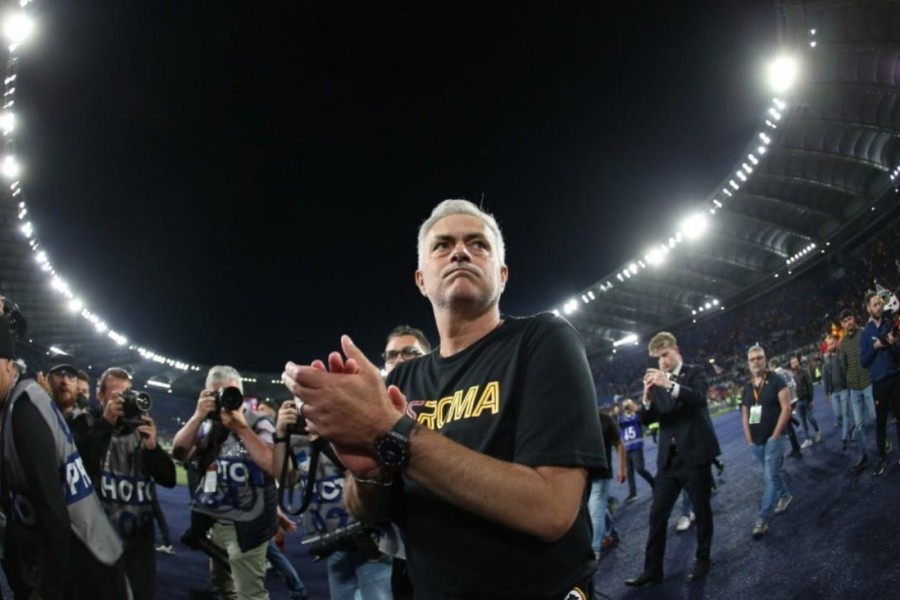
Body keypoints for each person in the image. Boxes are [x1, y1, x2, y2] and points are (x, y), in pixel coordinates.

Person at [282, 198, 607, 599]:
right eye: (442, 245)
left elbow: (551, 510)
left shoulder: (542, 339)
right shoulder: (402, 378)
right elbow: (371, 512)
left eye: (478, 244)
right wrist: (370, 473)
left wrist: (393, 432)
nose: (459, 252)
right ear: (421, 279)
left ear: (502, 275)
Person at [0, 315, 130, 599]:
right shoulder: (16, 404)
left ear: (10, 363)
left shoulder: (24, 410)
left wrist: (49, 591)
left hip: (85, 566)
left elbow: (53, 512)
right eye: (60, 374)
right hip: (68, 559)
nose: (66, 381)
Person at [172, 365, 277, 600]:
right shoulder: (207, 425)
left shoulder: (259, 422)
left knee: (250, 594)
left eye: (231, 393)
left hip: (250, 523)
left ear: (240, 392)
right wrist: (198, 415)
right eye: (217, 394)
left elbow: (273, 466)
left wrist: (240, 427)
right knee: (221, 586)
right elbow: (180, 452)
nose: (225, 400)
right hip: (217, 522)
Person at [625, 331, 721, 588]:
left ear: (676, 350)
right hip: (668, 461)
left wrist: (668, 384)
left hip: (695, 456)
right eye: (658, 358)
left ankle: (703, 559)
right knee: (657, 515)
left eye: (665, 355)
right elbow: (649, 421)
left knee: (701, 511)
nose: (663, 362)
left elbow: (699, 398)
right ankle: (652, 570)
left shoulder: (694, 371)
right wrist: (646, 399)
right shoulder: (657, 383)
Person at [72, 367, 177, 600]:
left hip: (138, 544)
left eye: (128, 393)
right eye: (117, 395)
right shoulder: (86, 423)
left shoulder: (140, 429)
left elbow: (168, 479)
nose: (125, 400)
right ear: (101, 397)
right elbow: (82, 468)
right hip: (98, 542)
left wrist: (153, 448)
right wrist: (106, 423)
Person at [381, 324, 432, 600]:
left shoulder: (451, 399)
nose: (399, 359)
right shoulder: (374, 409)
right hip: (401, 549)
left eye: (410, 352)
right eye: (391, 355)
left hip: (451, 548)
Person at [741, 345, 793, 539]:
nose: (757, 362)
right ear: (748, 363)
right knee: (772, 474)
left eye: (759, 358)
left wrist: (776, 435)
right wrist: (749, 440)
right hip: (757, 442)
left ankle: (763, 518)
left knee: (769, 477)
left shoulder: (776, 380)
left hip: (774, 438)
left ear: (765, 359)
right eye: (753, 359)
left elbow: (786, 409)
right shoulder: (747, 388)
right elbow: (745, 415)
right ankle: (785, 495)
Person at [860, 291, 900, 476]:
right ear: (868, 308)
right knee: (881, 423)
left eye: (879, 304)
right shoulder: (866, 333)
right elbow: (864, 361)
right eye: (875, 304)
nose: (878, 307)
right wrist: (875, 347)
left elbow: (897, 353)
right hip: (878, 383)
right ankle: (882, 458)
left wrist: (893, 343)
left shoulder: (889, 324)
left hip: (894, 378)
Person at [839, 307, 877, 471]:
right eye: (845, 321)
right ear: (842, 324)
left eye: (850, 319)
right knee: (859, 424)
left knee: (875, 417)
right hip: (854, 388)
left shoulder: (864, 333)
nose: (848, 322)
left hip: (868, 382)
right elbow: (844, 365)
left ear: (854, 319)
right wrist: (849, 382)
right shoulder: (842, 343)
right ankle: (863, 455)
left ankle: (883, 441)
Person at [588, 406, 626, 558]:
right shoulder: (576, 422)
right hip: (583, 476)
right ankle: (612, 533)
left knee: (594, 511)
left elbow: (619, 443)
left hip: (601, 473)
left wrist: (622, 468)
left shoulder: (605, 420)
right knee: (598, 508)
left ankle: (594, 549)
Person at [618, 398, 655, 504]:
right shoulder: (621, 418)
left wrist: (636, 409)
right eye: (625, 405)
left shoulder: (637, 416)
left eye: (628, 404)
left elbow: (644, 417)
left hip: (636, 446)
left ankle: (654, 483)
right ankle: (632, 492)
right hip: (626, 448)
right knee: (629, 471)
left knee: (639, 468)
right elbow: (619, 423)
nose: (626, 406)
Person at [769, 357, 803, 458]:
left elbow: (777, 390)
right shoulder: (787, 372)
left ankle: (796, 449)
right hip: (794, 399)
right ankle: (796, 446)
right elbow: (794, 383)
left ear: (773, 366)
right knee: (787, 423)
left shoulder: (776, 375)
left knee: (788, 427)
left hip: (786, 402)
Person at [823, 334, 852, 449]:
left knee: (844, 414)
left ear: (835, 343)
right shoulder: (827, 360)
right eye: (828, 345)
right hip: (834, 392)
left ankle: (845, 438)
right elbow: (826, 377)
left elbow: (848, 370)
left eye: (831, 343)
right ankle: (848, 429)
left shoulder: (842, 354)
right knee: (838, 415)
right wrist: (826, 393)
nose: (830, 346)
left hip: (844, 389)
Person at [791, 355, 821, 448]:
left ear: (798, 363)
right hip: (798, 402)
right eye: (792, 363)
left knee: (811, 418)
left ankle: (817, 430)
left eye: (795, 362)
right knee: (803, 422)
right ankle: (807, 439)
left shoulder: (804, 372)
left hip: (806, 400)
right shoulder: (793, 376)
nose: (794, 364)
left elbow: (810, 386)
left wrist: (811, 399)